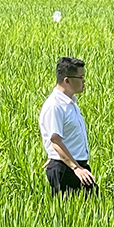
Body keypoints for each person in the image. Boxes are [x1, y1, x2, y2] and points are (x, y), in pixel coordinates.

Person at [40, 56, 96, 195]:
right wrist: (75, 168)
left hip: (77, 167)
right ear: (67, 80)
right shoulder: (55, 106)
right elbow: (55, 141)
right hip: (66, 169)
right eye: (81, 77)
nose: (84, 81)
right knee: (69, 213)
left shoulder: (70, 104)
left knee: (94, 208)